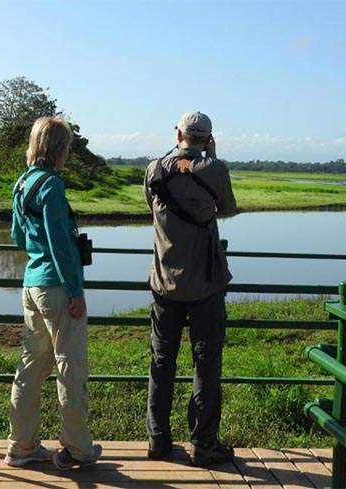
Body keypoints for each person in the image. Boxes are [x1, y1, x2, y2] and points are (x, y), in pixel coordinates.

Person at [6, 116, 102, 470]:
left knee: (31, 366)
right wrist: (76, 291)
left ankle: (22, 445)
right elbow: (62, 245)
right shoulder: (52, 186)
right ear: (59, 148)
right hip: (58, 287)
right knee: (70, 366)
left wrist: (38, 252)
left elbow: (18, 235)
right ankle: (78, 449)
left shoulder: (22, 182)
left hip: (32, 284)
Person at [143, 111, 237, 467]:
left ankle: (158, 439)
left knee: (161, 361)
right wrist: (211, 158)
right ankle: (203, 442)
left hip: (164, 283)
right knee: (206, 362)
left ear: (177, 133)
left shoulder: (154, 170)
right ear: (208, 138)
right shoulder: (216, 169)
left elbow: (152, 208)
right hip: (206, 285)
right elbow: (227, 209)